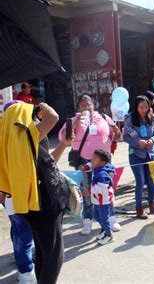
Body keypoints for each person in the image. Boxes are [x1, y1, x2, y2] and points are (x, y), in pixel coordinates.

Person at [0, 102, 70, 284]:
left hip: (30, 204)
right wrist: (41, 105)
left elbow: (47, 163)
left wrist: (63, 144)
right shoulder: (26, 137)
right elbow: (53, 116)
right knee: (54, 255)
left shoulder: (8, 144)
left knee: (42, 250)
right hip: (45, 201)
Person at [58, 94, 121, 235]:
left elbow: (115, 136)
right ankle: (88, 221)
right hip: (84, 161)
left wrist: (117, 132)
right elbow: (63, 138)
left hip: (104, 162)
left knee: (106, 190)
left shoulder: (104, 118)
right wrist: (74, 123)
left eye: (89, 104)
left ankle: (111, 218)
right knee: (87, 192)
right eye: (83, 104)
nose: (87, 106)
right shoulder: (73, 120)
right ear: (78, 107)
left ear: (94, 105)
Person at [123, 96, 154, 219]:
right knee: (140, 181)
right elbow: (125, 137)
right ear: (136, 107)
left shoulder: (153, 118)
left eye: (146, 106)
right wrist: (137, 142)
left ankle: (152, 205)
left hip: (150, 154)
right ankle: (139, 209)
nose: (144, 109)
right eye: (141, 107)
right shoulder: (130, 120)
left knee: (151, 181)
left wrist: (152, 139)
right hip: (136, 154)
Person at [89, 149, 116, 245]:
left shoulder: (102, 174)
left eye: (95, 158)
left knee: (104, 218)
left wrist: (89, 190)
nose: (92, 159)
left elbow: (102, 188)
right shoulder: (98, 167)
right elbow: (90, 164)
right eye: (92, 157)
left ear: (102, 162)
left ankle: (109, 235)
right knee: (97, 216)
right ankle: (104, 230)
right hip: (97, 200)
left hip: (104, 201)